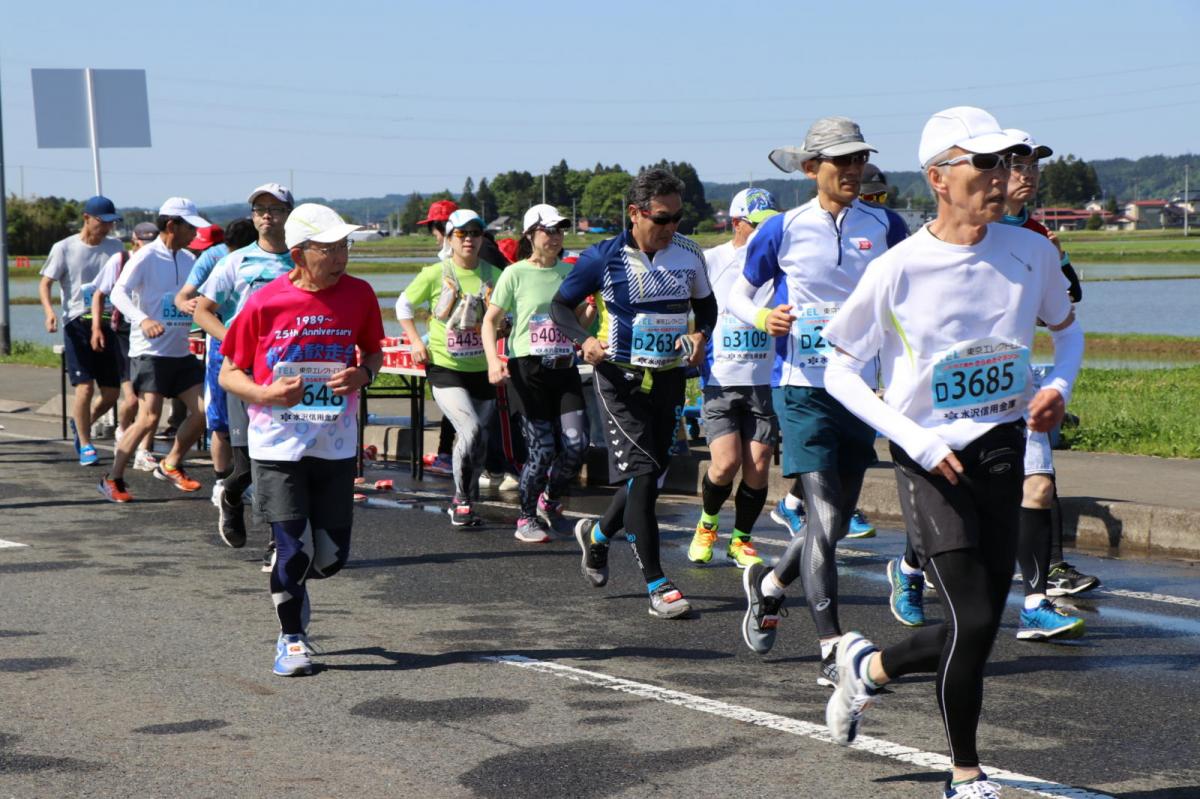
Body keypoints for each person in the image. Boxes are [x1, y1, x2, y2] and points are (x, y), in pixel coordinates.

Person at [819, 106, 1083, 799]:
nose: (1002, 176)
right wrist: (915, 437)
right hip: (930, 456)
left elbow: (1070, 331)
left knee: (981, 625)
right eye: (984, 163)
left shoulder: (1032, 252)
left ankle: (868, 669)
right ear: (939, 177)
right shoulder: (899, 268)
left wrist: (1056, 385)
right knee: (971, 620)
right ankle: (965, 773)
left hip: (1003, 445)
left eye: (1005, 163)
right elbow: (838, 368)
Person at [730, 118, 906, 686]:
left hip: (861, 390)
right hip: (801, 385)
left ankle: (770, 586)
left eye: (860, 159)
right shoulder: (783, 228)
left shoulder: (887, 225)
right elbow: (739, 290)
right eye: (842, 162)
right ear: (812, 170)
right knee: (826, 516)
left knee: (827, 527)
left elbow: (915, 292)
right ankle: (832, 647)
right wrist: (762, 316)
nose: (854, 170)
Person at [219, 203, 383, 677]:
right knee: (293, 549)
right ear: (299, 253)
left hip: (334, 440)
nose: (340, 255)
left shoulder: (360, 294)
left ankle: (292, 572)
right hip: (277, 442)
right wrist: (267, 392)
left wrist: (362, 374)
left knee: (330, 559)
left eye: (343, 246)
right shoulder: (265, 301)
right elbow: (231, 373)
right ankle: (291, 638)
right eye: (328, 247)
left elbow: (372, 352)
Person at [551, 168, 717, 619]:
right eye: (661, 219)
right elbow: (560, 306)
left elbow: (706, 304)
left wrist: (701, 333)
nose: (671, 228)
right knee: (643, 477)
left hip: (668, 377)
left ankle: (599, 535)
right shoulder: (602, 259)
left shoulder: (688, 253)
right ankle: (658, 585)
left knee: (651, 473)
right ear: (635, 213)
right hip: (619, 378)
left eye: (678, 218)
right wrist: (583, 341)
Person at [194, 184, 296, 549]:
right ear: (252, 217)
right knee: (249, 466)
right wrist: (235, 343)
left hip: (287, 373)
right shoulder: (234, 262)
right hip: (241, 372)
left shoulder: (301, 261)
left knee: (284, 462)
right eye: (259, 209)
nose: (267, 215)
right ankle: (231, 496)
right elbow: (203, 311)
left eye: (276, 208)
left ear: (290, 214)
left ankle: (278, 541)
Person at [687, 188, 781, 570]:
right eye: (759, 224)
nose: (765, 231)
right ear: (737, 222)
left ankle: (741, 540)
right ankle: (707, 526)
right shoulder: (711, 261)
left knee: (758, 468)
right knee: (724, 465)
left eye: (772, 223)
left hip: (764, 379)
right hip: (721, 378)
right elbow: (688, 306)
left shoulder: (781, 262)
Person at [482, 204, 588, 543]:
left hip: (565, 366)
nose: (555, 236)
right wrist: (493, 361)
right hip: (527, 368)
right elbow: (489, 321)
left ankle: (550, 499)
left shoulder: (570, 272)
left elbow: (577, 325)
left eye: (559, 230)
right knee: (542, 449)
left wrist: (586, 311)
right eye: (548, 230)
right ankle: (526, 518)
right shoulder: (514, 274)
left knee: (576, 445)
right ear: (530, 236)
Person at [99, 198, 212, 502]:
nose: (195, 234)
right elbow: (118, 292)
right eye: (191, 227)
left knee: (205, 410)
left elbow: (197, 296)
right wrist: (143, 318)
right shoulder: (145, 257)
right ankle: (112, 478)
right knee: (149, 419)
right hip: (149, 351)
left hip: (180, 351)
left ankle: (171, 463)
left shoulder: (189, 258)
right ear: (172, 225)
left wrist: (196, 306)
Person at [397, 209, 501, 526]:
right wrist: (416, 341)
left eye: (475, 233)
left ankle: (467, 498)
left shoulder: (494, 275)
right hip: (445, 367)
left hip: (482, 368)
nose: (469, 239)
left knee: (478, 439)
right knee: (469, 430)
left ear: (483, 238)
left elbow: (511, 312)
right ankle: (461, 500)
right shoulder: (435, 273)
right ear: (451, 238)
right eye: (462, 234)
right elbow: (403, 305)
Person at [38, 196, 125, 466]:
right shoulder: (64, 247)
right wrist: (50, 312)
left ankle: (82, 423)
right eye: (102, 222)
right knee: (85, 387)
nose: (107, 228)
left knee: (111, 394)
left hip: (109, 322)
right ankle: (86, 444)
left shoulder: (116, 247)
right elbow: (45, 283)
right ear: (86, 218)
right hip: (77, 322)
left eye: (111, 223)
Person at [175, 218, 257, 498]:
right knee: (220, 419)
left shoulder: (273, 258)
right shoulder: (215, 257)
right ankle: (222, 480)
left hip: (262, 353)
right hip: (223, 348)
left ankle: (254, 480)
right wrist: (188, 305)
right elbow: (184, 296)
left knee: (259, 418)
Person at [88, 221, 160, 470]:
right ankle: (122, 430)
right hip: (124, 332)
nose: (147, 247)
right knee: (131, 400)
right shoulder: (119, 260)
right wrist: (97, 327)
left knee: (150, 398)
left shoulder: (160, 260)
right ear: (134, 242)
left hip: (154, 332)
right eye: (143, 243)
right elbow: (100, 294)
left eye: (152, 242)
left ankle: (144, 450)